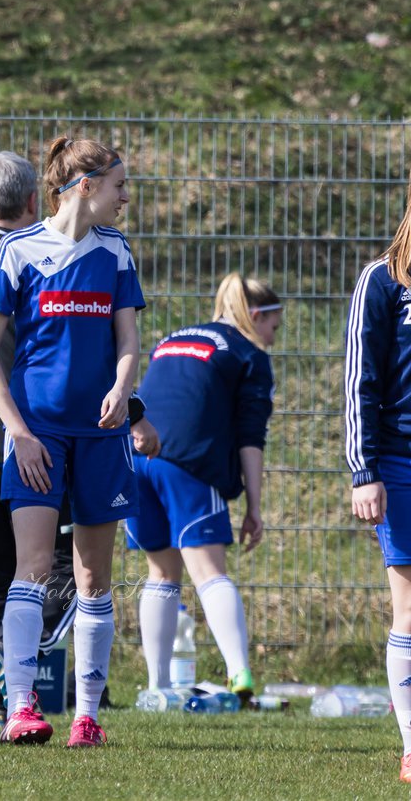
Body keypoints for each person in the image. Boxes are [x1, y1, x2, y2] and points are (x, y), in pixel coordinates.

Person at [0, 150, 158, 727]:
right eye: (119, 186)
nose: (125, 197)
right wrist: (19, 431)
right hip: (37, 437)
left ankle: (87, 716)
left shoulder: (114, 251)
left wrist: (121, 386)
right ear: (85, 186)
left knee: (93, 577)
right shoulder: (17, 250)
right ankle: (19, 707)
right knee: (31, 567)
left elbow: (130, 338)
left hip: (100, 436)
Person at [125, 273, 279, 703]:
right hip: (186, 465)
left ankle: (157, 687)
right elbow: (251, 437)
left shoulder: (172, 339)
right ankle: (240, 674)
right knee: (210, 572)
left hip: (136, 460)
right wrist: (254, 506)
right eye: (273, 326)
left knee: (160, 573)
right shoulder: (248, 355)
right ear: (255, 316)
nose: (272, 337)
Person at [345, 175, 411, 784]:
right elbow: (360, 381)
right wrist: (364, 470)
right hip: (400, 461)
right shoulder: (384, 279)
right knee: (409, 605)